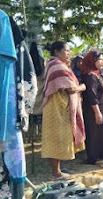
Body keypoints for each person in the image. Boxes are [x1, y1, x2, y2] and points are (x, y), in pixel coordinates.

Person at [42, 41, 86, 180]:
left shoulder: (55, 64)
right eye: (66, 51)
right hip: (57, 109)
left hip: (58, 107)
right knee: (57, 139)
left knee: (60, 138)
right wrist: (82, 87)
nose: (69, 54)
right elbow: (71, 88)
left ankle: (58, 170)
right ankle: (56, 173)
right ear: (57, 52)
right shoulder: (57, 66)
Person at [81, 50, 103, 166]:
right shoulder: (90, 76)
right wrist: (97, 112)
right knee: (94, 133)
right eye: (100, 59)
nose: (102, 61)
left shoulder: (96, 73)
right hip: (95, 109)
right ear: (93, 60)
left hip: (102, 106)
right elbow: (91, 95)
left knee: (102, 132)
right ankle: (94, 157)